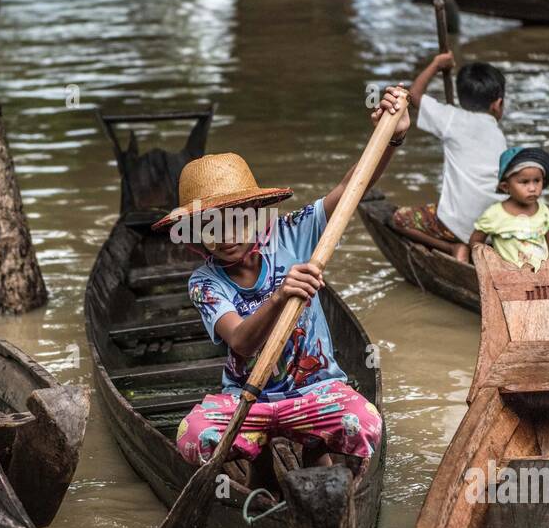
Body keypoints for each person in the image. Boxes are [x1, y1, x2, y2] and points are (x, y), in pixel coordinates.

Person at [153, 86, 411, 477]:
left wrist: (392, 135)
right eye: (211, 227)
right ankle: (259, 457)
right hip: (249, 399)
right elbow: (240, 341)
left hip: (314, 393)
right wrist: (279, 296)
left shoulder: (290, 234)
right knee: (194, 436)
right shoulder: (205, 282)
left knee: (367, 423)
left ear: (255, 214)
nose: (225, 237)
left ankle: (312, 447)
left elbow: (351, 188)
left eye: (235, 220)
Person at [391, 55, 508, 264]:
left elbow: (413, 95)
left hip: (457, 223)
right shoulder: (497, 134)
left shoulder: (451, 118)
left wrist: (436, 64)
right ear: (498, 104)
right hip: (494, 225)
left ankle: (453, 246)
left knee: (398, 219)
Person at [470, 147, 549, 270]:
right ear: (505, 187)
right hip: (508, 277)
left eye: (537, 181)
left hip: (542, 276)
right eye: (524, 182)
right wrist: (490, 263)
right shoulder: (495, 214)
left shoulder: (543, 211)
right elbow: (476, 242)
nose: (532, 188)